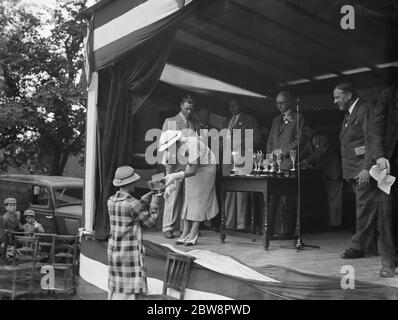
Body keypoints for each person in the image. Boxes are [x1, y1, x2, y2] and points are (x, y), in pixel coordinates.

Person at [333, 82, 382, 260]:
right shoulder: (350, 113)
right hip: (352, 170)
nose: (335, 101)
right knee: (366, 208)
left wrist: (367, 169)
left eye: (338, 97)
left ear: (348, 95)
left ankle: (359, 247)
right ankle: (371, 245)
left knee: (364, 209)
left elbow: (371, 141)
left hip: (362, 170)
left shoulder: (364, 110)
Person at [107, 166, 160, 300]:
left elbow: (130, 212)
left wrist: (142, 201)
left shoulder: (111, 200)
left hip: (115, 252)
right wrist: (154, 205)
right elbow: (150, 222)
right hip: (129, 254)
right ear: (130, 183)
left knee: (117, 288)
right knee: (130, 292)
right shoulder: (132, 203)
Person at [159, 129, 218, 246]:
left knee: (199, 198)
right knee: (188, 198)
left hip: (206, 167)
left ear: (176, 143)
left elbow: (193, 171)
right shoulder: (169, 152)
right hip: (191, 167)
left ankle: (194, 232)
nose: (167, 150)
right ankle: (185, 232)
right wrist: (168, 187)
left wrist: (176, 176)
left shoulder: (191, 145)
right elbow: (170, 171)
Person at [368, 83, 398, 277]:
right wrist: (379, 156)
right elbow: (376, 128)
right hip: (390, 164)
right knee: (387, 213)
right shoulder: (388, 94)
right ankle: (388, 262)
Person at [161, 95, 199, 239]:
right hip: (175, 163)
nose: (189, 112)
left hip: (190, 164)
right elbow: (168, 144)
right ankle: (167, 227)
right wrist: (170, 166)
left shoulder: (194, 122)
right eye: (186, 108)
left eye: (191, 109)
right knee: (172, 195)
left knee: (187, 197)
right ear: (180, 105)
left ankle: (185, 228)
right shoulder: (170, 121)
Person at [266, 91, 304, 236]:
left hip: (288, 163)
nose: (279, 106)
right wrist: (269, 154)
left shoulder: (298, 117)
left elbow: (299, 140)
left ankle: (286, 232)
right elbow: (270, 140)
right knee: (273, 199)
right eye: (277, 103)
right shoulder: (276, 120)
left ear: (289, 102)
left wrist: (283, 152)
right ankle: (272, 231)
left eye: (282, 103)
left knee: (287, 201)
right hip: (274, 166)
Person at [223, 97, 260, 231]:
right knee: (229, 193)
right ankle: (229, 224)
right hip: (228, 161)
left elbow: (257, 138)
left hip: (242, 160)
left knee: (241, 194)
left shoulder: (249, 119)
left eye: (235, 105)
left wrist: (240, 143)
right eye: (230, 106)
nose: (233, 108)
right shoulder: (226, 121)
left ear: (241, 105)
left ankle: (241, 225)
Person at [300, 124, 343, 230]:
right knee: (327, 199)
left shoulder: (322, 138)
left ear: (314, 130)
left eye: (308, 131)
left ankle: (335, 225)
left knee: (334, 200)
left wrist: (305, 161)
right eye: (304, 132)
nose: (306, 134)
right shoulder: (308, 142)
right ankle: (329, 223)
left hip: (333, 172)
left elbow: (320, 152)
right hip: (324, 173)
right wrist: (296, 161)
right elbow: (301, 154)